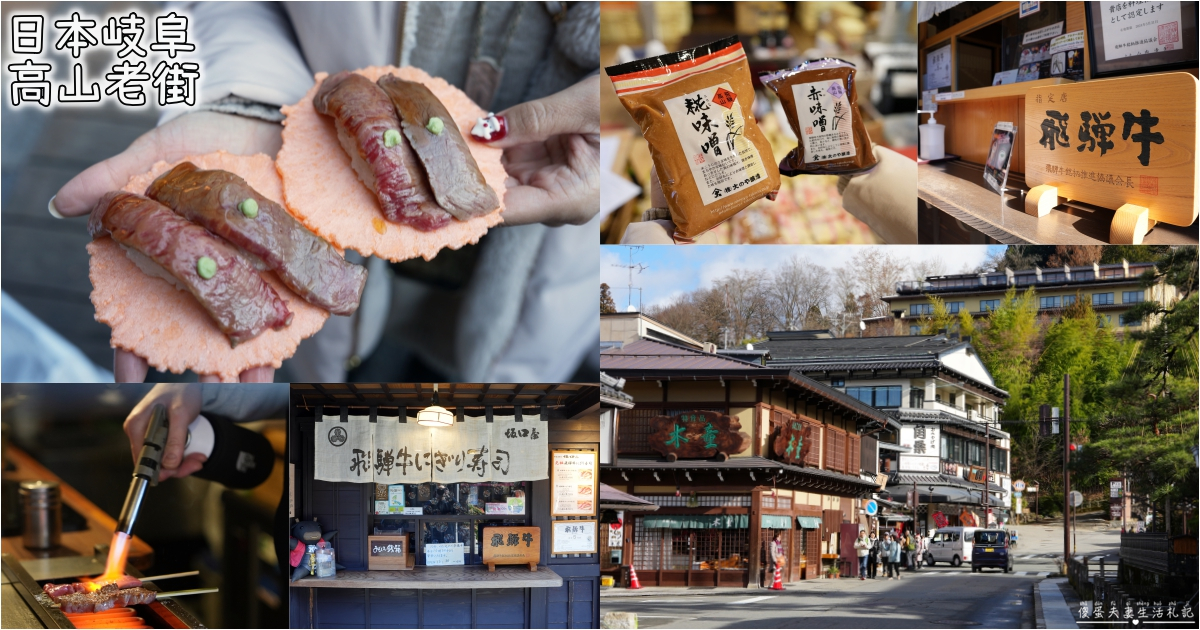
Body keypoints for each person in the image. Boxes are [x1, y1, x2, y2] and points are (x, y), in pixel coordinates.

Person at [50, 2, 601, 383]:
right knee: (353, 396)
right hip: (325, 259)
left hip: (546, 272)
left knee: (475, 401)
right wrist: (247, 97)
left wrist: (632, 119)